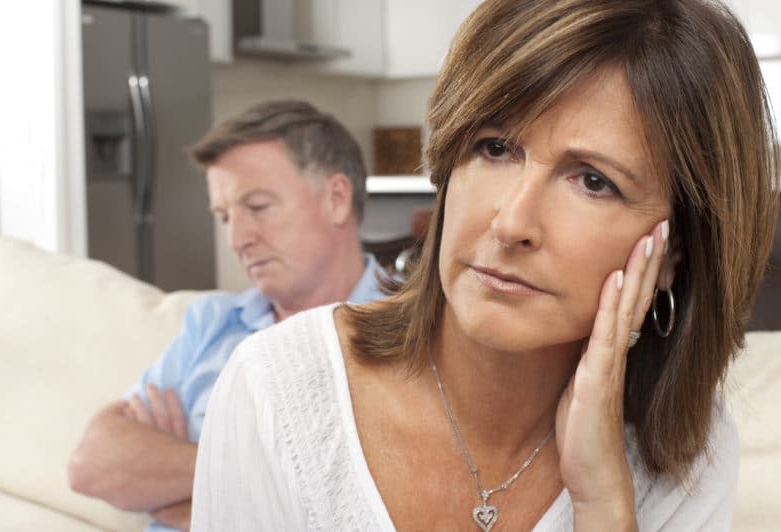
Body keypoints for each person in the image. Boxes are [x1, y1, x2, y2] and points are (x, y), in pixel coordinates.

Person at [191, 1, 781, 531]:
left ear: (674, 252)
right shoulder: (277, 391)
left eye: (593, 182)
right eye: (495, 147)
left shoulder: (688, 459)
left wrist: (603, 503)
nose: (511, 223)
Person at [68, 100, 387, 531]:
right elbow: (92, 465)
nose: (237, 238)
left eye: (257, 207)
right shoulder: (211, 324)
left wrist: (182, 488)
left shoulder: (405, 335)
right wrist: (260, 489)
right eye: (224, 216)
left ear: (336, 199)